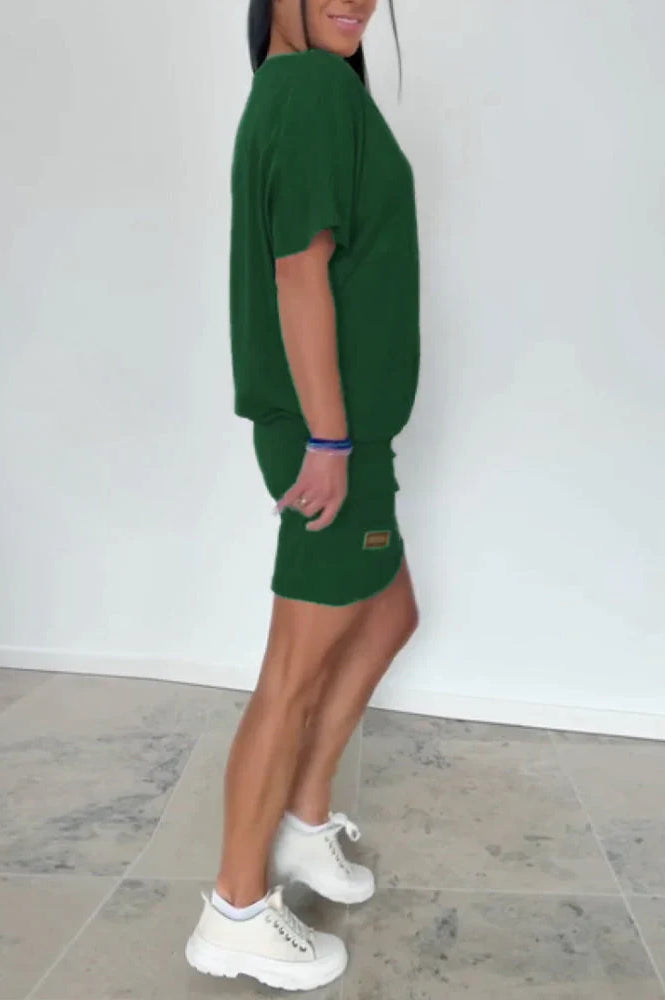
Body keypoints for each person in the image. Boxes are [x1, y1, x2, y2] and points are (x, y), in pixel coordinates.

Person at [185, 0, 420, 990]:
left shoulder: (295, 88)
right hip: (332, 437)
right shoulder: (314, 86)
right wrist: (327, 438)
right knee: (294, 667)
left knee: (391, 613)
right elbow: (297, 272)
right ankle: (235, 910)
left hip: (351, 435)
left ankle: (302, 820)